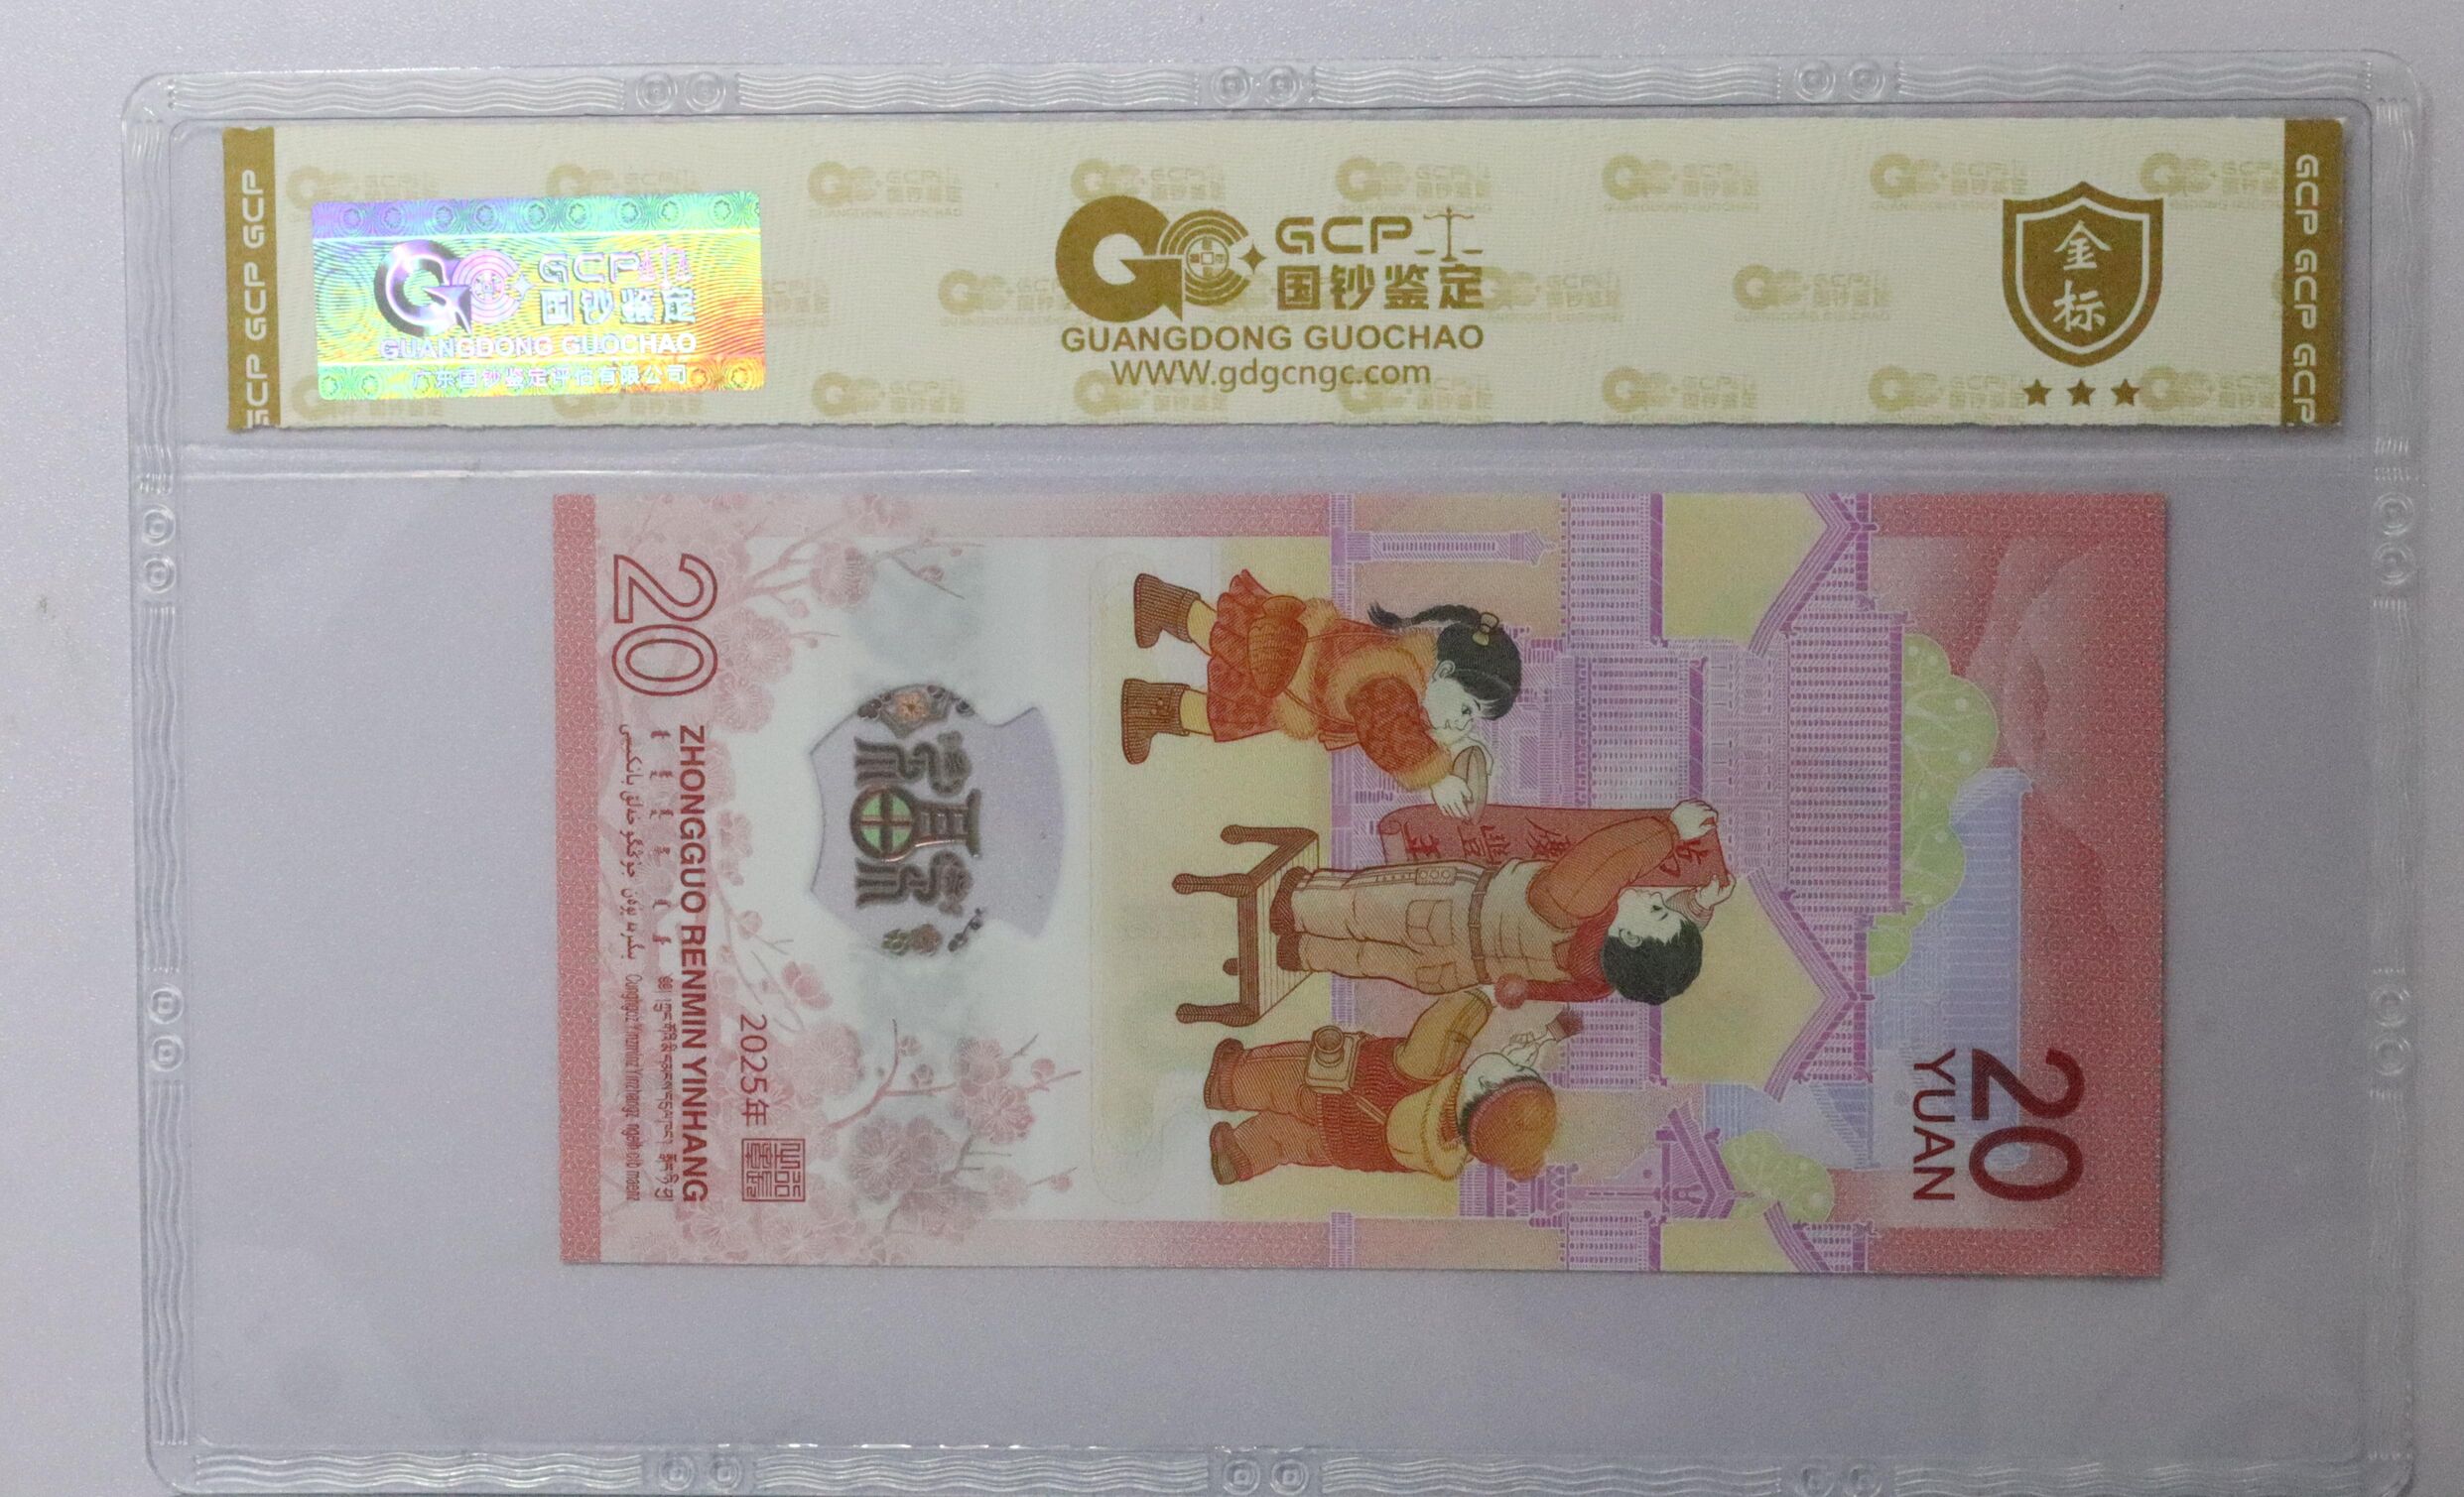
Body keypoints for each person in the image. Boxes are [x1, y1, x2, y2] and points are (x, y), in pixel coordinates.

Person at [1119, 570, 1519, 817]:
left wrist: (1461, 747)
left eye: (1472, 719)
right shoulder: (1393, 683)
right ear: (1445, 671)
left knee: (1226, 642)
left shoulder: (1411, 669)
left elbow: (1411, 720)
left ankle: (1150, 684)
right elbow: (1389, 732)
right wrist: (1436, 777)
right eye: (1467, 709)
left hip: (1301, 671)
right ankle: (1152, 660)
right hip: (1291, 672)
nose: (1463, 723)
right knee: (1226, 668)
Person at [1270, 799, 1733, 1006]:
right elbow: (1651, 956)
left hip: (1447, 910)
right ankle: (1304, 952)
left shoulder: (1579, 902)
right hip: (1453, 972)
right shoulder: (1601, 981)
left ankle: (1296, 904)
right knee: (1371, 959)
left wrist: (1671, 829)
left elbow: (1609, 859)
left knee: (1361, 907)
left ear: (1628, 935)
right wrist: (1696, 906)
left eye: (1657, 909)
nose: (1654, 895)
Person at [1202, 990, 1578, 1185]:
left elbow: (1445, 1025)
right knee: (1285, 1141)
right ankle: (1243, 1155)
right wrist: (1551, 1034)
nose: (1514, 1060)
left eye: (1514, 1070)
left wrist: (1483, 996)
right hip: (1341, 1147)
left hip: (1332, 1089)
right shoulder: (1451, 1148)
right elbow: (1511, 1062)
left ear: (1486, 1085)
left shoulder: (1431, 1070)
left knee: (1280, 1078)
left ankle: (1230, 1081)